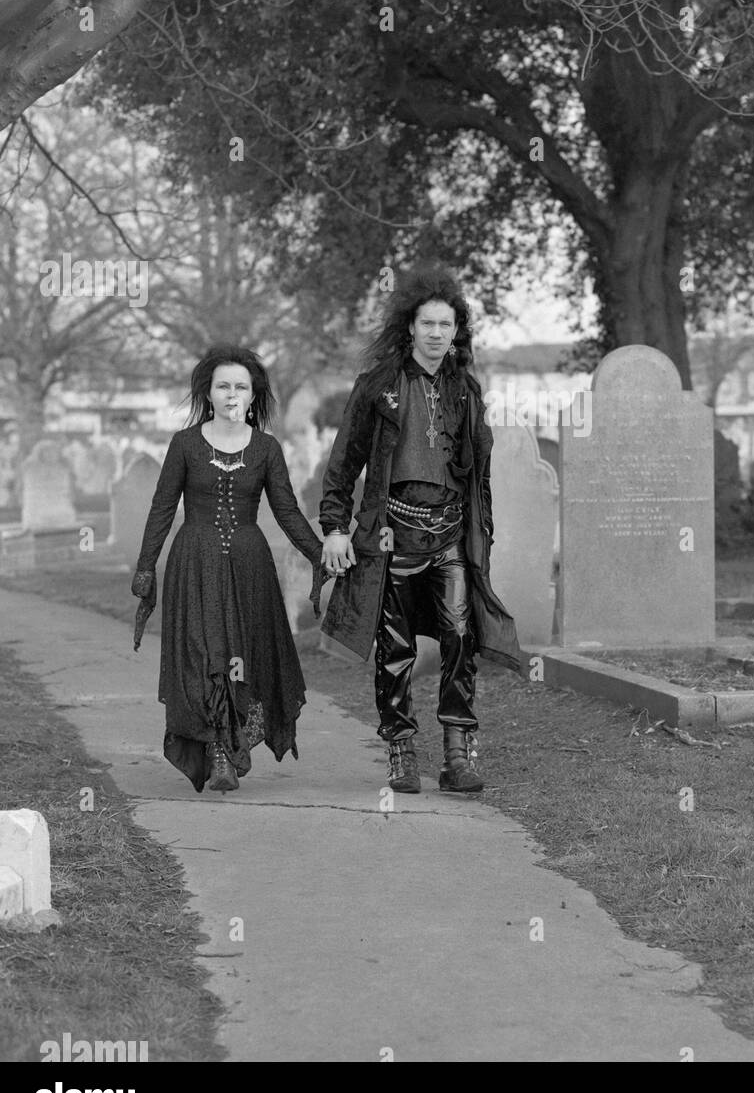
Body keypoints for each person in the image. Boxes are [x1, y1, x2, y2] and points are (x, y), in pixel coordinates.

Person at [319, 263, 524, 795]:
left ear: (457, 331)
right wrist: (336, 526)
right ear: (410, 327)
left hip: (451, 531)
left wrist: (485, 534)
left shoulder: (467, 391)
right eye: (427, 323)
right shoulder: (378, 387)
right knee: (397, 647)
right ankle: (401, 751)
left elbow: (477, 474)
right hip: (393, 532)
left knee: (460, 637)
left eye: (446, 324)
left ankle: (457, 755)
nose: (437, 333)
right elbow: (344, 462)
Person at [131, 346, 328, 793]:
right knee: (204, 652)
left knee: (240, 654)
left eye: (241, 386)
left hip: (249, 564)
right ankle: (217, 751)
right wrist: (146, 566)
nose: (232, 393)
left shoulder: (266, 448)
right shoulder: (184, 444)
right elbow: (162, 508)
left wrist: (319, 553)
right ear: (209, 392)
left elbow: (287, 511)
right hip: (193, 562)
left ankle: (229, 744)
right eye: (223, 385)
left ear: (254, 395)